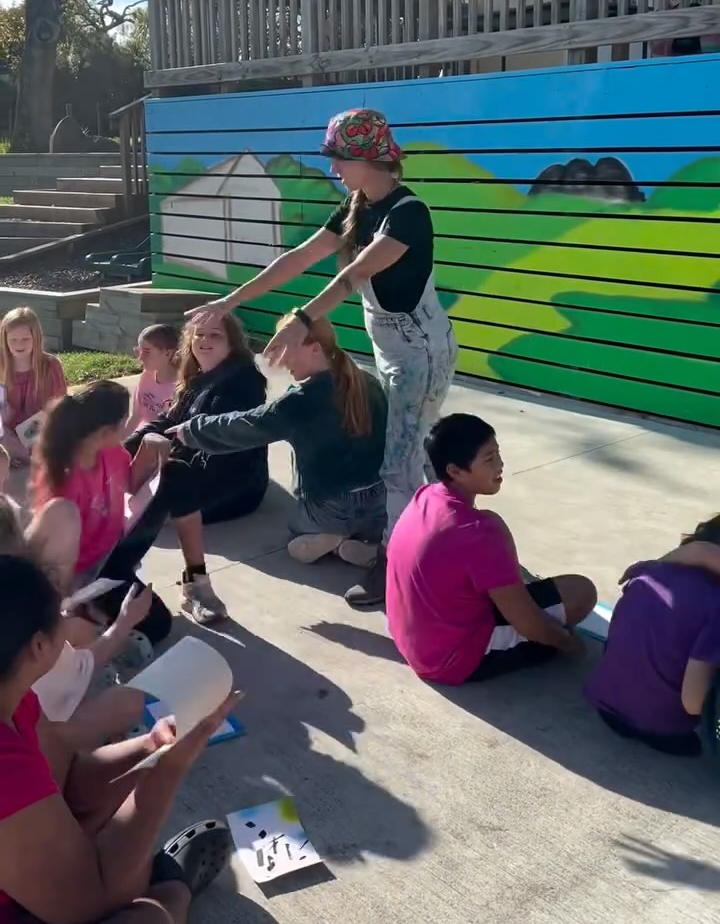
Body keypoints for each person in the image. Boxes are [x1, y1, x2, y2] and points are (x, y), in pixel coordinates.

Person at [186, 106, 457, 609]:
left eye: (339, 158)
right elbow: (300, 257)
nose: (333, 169)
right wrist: (230, 301)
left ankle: (396, 569)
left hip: (421, 352)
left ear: (368, 157)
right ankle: (441, 540)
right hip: (393, 349)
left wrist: (302, 319)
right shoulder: (357, 204)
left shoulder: (408, 213)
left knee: (399, 462)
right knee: (412, 451)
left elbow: (353, 275)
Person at [0, 551, 238, 924]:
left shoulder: (16, 698)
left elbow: (67, 782)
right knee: (149, 914)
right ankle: (171, 896)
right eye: (60, 615)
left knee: (117, 851)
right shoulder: (6, 767)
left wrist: (153, 746)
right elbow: (89, 902)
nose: (68, 619)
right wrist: (167, 772)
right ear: (39, 646)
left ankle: (157, 881)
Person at [386, 413, 597, 685]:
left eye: (498, 454)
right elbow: (528, 624)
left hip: (411, 639)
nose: (500, 465)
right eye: (489, 459)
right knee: (581, 592)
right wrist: (568, 643)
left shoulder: (425, 496)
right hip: (449, 660)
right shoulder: (479, 531)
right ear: (455, 471)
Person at [167, 315, 387, 566]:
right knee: (364, 516)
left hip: (330, 507)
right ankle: (363, 542)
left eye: (286, 350)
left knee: (297, 530)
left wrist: (192, 430)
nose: (282, 361)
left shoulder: (300, 401)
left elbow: (246, 425)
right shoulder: (367, 382)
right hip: (379, 500)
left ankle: (332, 541)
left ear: (315, 349)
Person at [123, 314, 268, 625]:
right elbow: (169, 419)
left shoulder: (243, 382)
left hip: (234, 487)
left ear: (232, 343)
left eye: (215, 335)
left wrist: (166, 464)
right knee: (144, 459)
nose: (204, 341)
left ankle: (192, 584)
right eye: (199, 334)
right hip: (200, 472)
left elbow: (219, 446)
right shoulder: (200, 376)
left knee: (160, 489)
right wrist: (126, 446)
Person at [0, 493, 150, 748]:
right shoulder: (29, 661)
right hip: (43, 733)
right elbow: (81, 665)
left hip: (38, 694)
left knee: (78, 630)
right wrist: (125, 622)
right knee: (129, 702)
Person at [30, 380, 173, 645]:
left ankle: (98, 615)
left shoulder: (112, 452)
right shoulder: (64, 479)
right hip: (84, 576)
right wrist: (73, 598)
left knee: (158, 621)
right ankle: (90, 614)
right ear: (106, 430)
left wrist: (148, 448)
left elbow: (130, 484)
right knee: (156, 626)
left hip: (113, 556)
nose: (129, 426)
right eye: (124, 422)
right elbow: (56, 557)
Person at [585, 514, 720, 757]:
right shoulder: (716, 605)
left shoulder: (647, 573)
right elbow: (693, 703)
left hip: (606, 705)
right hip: (664, 730)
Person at [0, 307, 66, 467]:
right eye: (13, 340)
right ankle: (15, 455)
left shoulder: (50, 365)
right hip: (5, 430)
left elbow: (59, 407)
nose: (19, 344)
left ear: (36, 338)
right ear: (5, 339)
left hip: (39, 428)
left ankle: (22, 455)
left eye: (25, 339)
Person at [126, 324, 179, 431]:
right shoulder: (147, 376)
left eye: (146, 352)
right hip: (139, 435)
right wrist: (122, 440)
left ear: (168, 353)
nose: (140, 357)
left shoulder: (182, 387)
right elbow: (136, 417)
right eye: (139, 351)